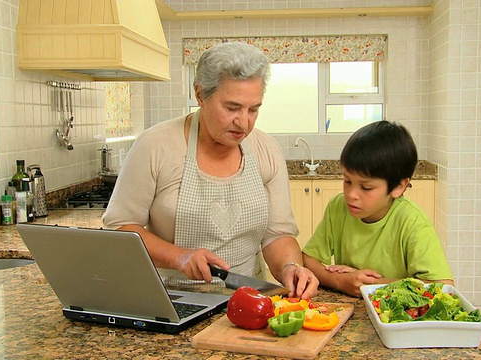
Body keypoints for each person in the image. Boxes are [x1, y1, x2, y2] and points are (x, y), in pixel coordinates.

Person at [103, 42, 319, 299]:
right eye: (231, 108)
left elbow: (277, 235)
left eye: (254, 109)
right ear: (200, 95)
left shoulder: (266, 150)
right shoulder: (156, 146)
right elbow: (120, 227)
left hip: (250, 299)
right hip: (172, 298)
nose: (243, 122)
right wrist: (179, 257)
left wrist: (290, 267)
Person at [302, 121, 453, 297]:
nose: (351, 194)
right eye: (347, 181)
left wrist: (370, 283)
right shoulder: (338, 207)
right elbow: (309, 259)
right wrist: (341, 281)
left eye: (366, 187)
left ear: (399, 187)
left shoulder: (412, 221)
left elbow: (443, 286)